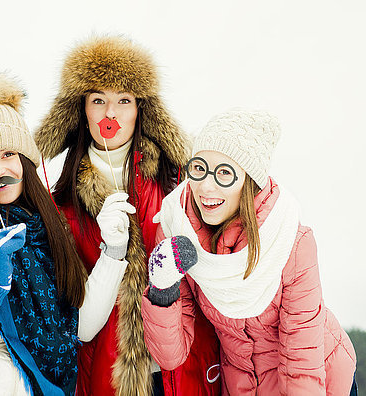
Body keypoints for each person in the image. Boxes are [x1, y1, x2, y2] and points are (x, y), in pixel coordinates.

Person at [35, 35, 220, 396]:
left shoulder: (179, 183)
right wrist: (111, 251)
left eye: (124, 100)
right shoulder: (61, 210)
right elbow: (75, 321)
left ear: (141, 109)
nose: (110, 114)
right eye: (98, 100)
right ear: (80, 111)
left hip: (182, 371)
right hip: (106, 375)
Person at [0, 72, 135, 396]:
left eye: (8, 155)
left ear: (26, 160)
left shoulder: (51, 228)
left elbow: (81, 326)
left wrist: (113, 251)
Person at [142, 109, 358, 395]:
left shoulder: (290, 241)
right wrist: (162, 288)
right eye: (199, 168)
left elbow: (302, 360)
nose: (206, 186)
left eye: (224, 173)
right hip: (241, 381)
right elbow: (170, 356)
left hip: (320, 376)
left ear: (249, 181)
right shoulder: (177, 227)